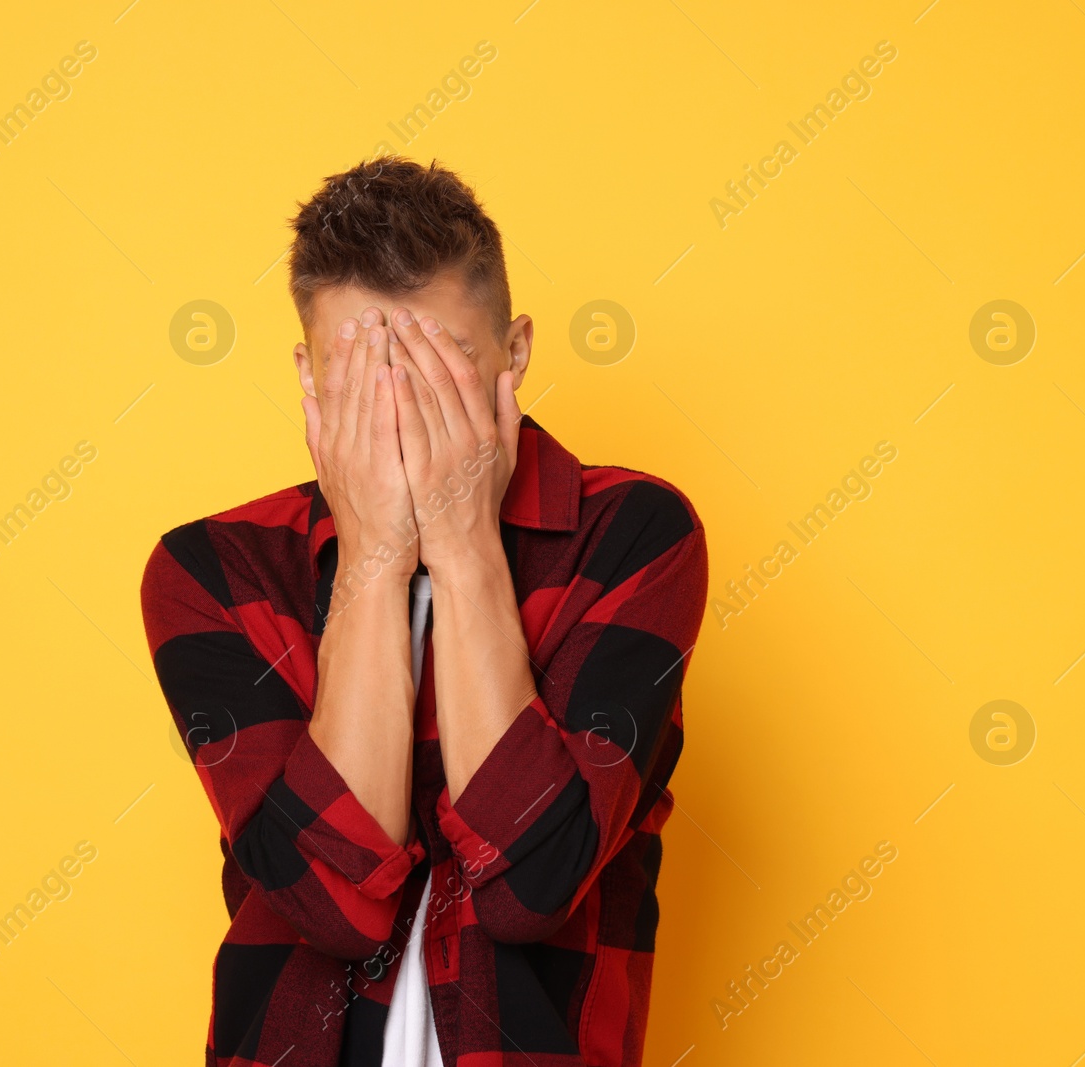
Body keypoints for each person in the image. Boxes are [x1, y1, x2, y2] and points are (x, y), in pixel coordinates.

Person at [141, 157, 709, 1067]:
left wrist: (461, 535)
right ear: (306, 374)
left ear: (515, 350)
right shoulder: (216, 567)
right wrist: (375, 552)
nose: (401, 410)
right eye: (363, 370)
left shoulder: (633, 533)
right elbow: (332, 899)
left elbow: (533, 881)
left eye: (442, 366)